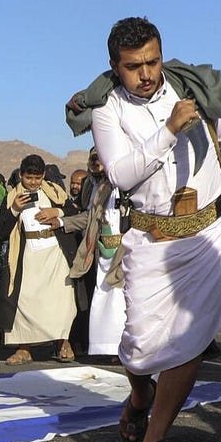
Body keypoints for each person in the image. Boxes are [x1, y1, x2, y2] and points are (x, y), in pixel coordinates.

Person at [85, 17, 221, 442]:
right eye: (133, 66)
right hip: (150, 240)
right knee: (139, 348)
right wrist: (168, 130)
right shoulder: (107, 109)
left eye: (153, 61)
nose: (146, 74)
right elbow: (121, 174)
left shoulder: (194, 88)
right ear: (115, 66)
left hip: (206, 235)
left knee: (188, 341)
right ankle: (140, 396)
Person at [0, 154, 78, 365]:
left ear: (43, 176)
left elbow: (74, 212)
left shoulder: (55, 192)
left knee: (61, 300)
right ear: (21, 175)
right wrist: (14, 209)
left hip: (55, 253)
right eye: (28, 177)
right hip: (28, 255)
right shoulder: (12, 197)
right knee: (25, 300)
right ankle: (24, 349)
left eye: (37, 177)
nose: (33, 182)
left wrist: (56, 211)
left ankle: (63, 343)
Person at [59, 149, 123, 360]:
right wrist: (61, 222)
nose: (96, 162)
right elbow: (90, 217)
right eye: (93, 158)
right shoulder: (95, 186)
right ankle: (109, 348)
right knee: (106, 297)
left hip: (126, 248)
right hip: (103, 250)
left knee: (122, 298)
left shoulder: (126, 183)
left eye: (100, 157)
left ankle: (124, 349)